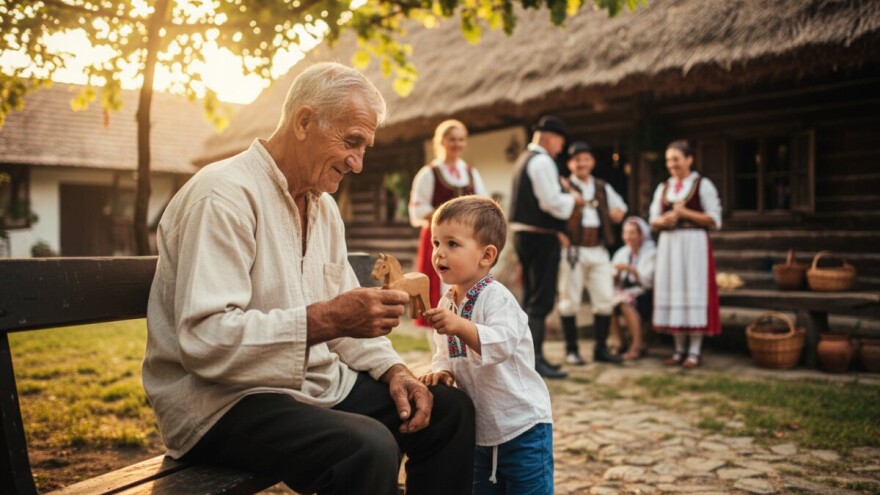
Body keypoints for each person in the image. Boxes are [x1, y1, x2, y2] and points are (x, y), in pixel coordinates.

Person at [142, 62, 475, 495]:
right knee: (368, 448)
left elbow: (345, 320)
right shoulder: (221, 196)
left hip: (311, 385)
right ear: (303, 121)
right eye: (351, 142)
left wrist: (394, 370)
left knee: (449, 409)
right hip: (220, 403)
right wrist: (327, 319)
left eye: (365, 147)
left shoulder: (323, 208)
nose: (357, 163)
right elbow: (205, 340)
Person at [419, 196, 554, 495]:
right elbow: (443, 348)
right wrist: (442, 370)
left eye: (452, 244)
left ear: (486, 255)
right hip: (481, 432)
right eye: (436, 243)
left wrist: (459, 325)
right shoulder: (447, 302)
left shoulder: (497, 298)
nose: (439, 253)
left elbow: (502, 343)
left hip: (522, 428)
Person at [509, 115, 585, 379]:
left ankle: (530, 357)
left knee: (532, 297)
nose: (561, 149)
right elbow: (550, 202)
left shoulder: (524, 159)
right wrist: (573, 200)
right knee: (539, 299)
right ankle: (535, 359)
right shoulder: (542, 161)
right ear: (550, 137)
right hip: (540, 238)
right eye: (561, 142)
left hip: (526, 236)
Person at [649, 139, 722, 369]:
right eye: (669, 160)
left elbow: (714, 219)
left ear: (689, 159)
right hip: (670, 244)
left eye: (676, 159)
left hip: (694, 244)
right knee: (673, 290)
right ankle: (678, 350)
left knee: (693, 289)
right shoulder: (663, 188)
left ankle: (694, 352)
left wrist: (685, 213)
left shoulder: (702, 184)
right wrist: (665, 220)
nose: (672, 164)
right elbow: (653, 220)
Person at [409, 119, 488, 328]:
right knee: (438, 291)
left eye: (461, 140)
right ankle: (439, 346)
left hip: (466, 241)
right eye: (452, 139)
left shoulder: (470, 172)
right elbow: (418, 209)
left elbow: (483, 203)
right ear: (441, 141)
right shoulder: (430, 172)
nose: (457, 144)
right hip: (438, 241)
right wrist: (450, 221)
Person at [556, 141, 628, 365]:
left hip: (599, 249)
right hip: (574, 250)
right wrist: (560, 237)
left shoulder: (601, 186)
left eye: (586, 159)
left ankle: (600, 349)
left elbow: (621, 208)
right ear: (570, 163)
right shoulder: (562, 186)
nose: (582, 163)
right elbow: (551, 213)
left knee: (604, 299)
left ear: (592, 162)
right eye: (577, 160)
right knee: (570, 300)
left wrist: (618, 213)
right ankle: (572, 350)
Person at [609, 216, 656, 361]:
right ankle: (619, 342)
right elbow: (612, 278)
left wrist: (632, 271)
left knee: (625, 304)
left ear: (641, 234)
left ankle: (637, 345)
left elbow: (648, 282)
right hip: (625, 291)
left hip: (645, 293)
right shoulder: (622, 252)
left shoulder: (651, 253)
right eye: (626, 233)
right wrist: (616, 275)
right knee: (606, 304)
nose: (628, 237)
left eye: (632, 233)